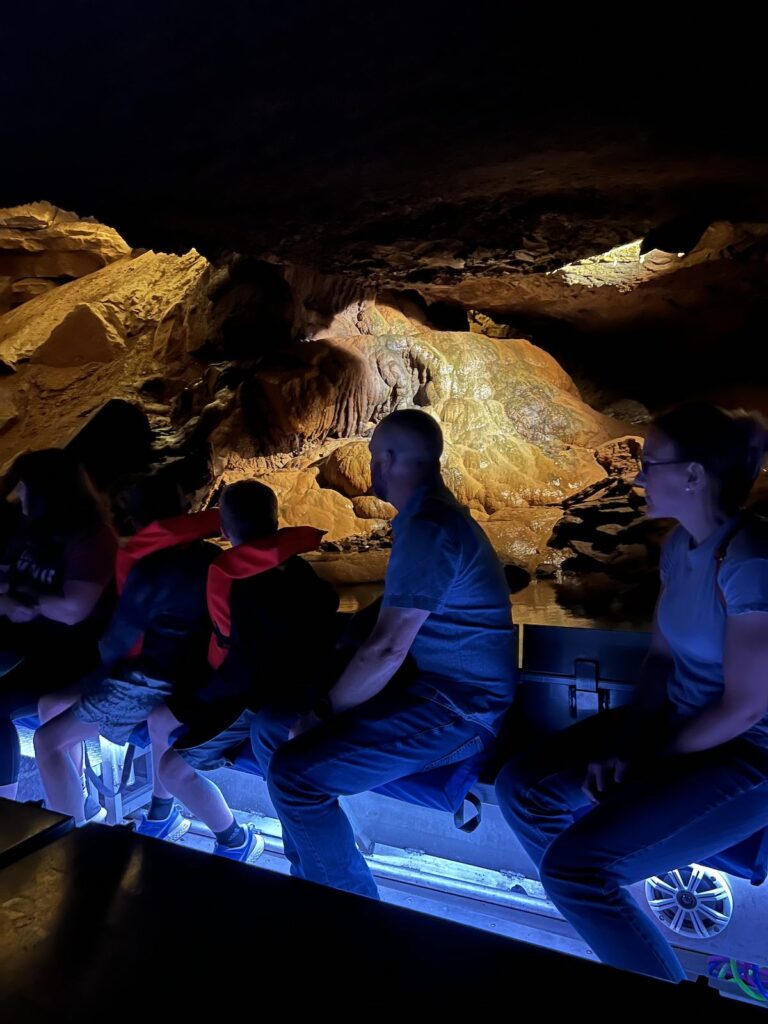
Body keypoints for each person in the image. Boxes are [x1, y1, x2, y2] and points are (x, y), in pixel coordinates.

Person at [495, 402, 768, 983]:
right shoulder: (679, 549)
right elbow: (662, 659)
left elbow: (747, 706)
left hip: (748, 756)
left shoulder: (749, 560)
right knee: (522, 787)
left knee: (575, 871)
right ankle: (621, 921)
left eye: (651, 463)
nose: (639, 476)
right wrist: (628, 735)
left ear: (693, 474)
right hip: (677, 726)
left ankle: (637, 954)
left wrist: (648, 758)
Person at [250, 408, 517, 897]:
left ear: (388, 459)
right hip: (425, 690)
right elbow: (392, 615)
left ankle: (348, 908)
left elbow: (390, 647)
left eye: (374, 456)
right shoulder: (426, 518)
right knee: (271, 726)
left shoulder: (430, 526)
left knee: (294, 775)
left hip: (462, 708)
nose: (372, 467)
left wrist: (324, 712)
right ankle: (309, 876)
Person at [150, 479, 338, 863]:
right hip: (278, 686)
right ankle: (173, 817)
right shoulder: (295, 567)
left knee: (171, 769)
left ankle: (235, 839)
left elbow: (242, 673)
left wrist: (202, 695)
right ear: (276, 520)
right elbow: (329, 602)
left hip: (252, 698)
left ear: (223, 529)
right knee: (161, 718)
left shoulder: (238, 584)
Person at [34, 476, 220, 832]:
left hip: (151, 681)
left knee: (47, 742)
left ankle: (69, 841)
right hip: (189, 674)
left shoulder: (148, 569)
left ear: (134, 523)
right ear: (185, 511)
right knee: (49, 705)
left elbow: (115, 644)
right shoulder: (212, 556)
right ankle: (80, 805)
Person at [0, 449, 116, 805]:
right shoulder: (29, 530)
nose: (18, 494)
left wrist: (24, 604)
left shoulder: (92, 539)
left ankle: (7, 808)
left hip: (72, 657)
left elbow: (73, 610)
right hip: (29, 645)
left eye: (24, 487)